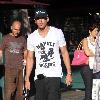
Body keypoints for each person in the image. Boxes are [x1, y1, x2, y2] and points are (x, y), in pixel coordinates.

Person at [25, 8, 72, 100]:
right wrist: (27, 78)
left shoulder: (57, 32)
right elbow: (30, 58)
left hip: (54, 74)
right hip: (39, 76)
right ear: (35, 21)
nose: (41, 21)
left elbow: (64, 52)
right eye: (38, 18)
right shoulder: (31, 37)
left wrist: (69, 73)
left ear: (47, 19)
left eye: (43, 18)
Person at [0, 20, 27, 100]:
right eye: (15, 29)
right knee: (9, 91)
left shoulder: (22, 39)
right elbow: (0, 51)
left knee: (20, 92)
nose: (17, 31)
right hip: (9, 68)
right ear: (11, 28)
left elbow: (25, 51)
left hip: (20, 68)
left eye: (19, 29)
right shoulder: (5, 38)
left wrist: (25, 58)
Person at [81, 23, 98, 100]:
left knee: (96, 90)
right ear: (89, 31)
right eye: (95, 31)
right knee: (89, 89)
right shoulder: (85, 40)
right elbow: (87, 53)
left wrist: (92, 53)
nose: (96, 32)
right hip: (87, 67)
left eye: (97, 31)